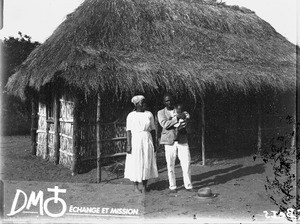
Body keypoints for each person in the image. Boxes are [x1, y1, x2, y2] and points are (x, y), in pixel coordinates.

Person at [157, 93, 193, 193]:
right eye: (167, 101)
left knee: (186, 162)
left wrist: (184, 120)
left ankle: (188, 185)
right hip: (169, 141)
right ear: (164, 102)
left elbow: (187, 120)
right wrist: (177, 118)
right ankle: (172, 186)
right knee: (170, 164)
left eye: (170, 100)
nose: (169, 102)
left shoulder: (180, 109)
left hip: (182, 139)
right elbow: (165, 124)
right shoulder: (161, 113)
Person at [124, 95, 158, 193]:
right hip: (136, 140)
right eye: (142, 102)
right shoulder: (131, 115)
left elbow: (153, 130)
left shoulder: (149, 114)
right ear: (136, 104)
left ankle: (144, 185)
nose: (144, 104)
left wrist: (155, 144)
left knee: (146, 161)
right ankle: (135, 186)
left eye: (144, 102)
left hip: (147, 140)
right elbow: (128, 131)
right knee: (135, 162)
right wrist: (129, 145)